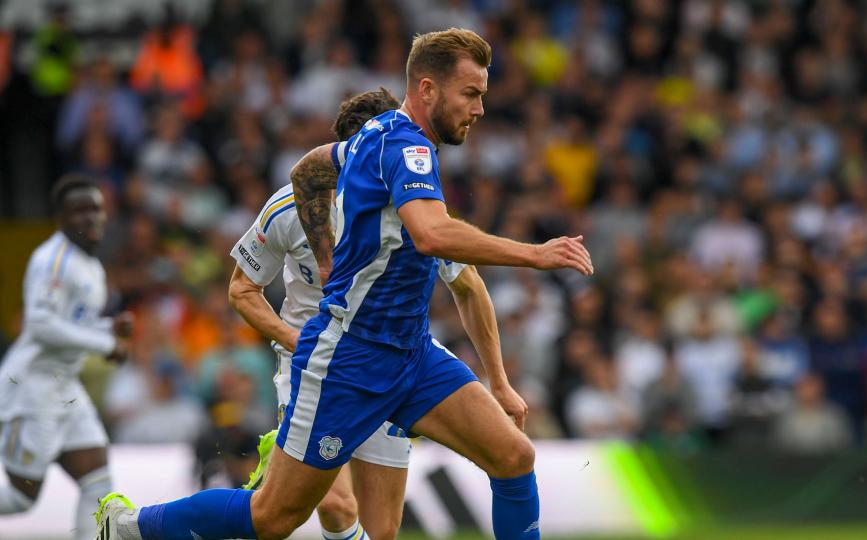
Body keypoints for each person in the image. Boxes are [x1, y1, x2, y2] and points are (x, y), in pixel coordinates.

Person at [96, 27, 592, 540]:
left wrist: (329, 256)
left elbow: (308, 168)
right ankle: (133, 528)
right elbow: (430, 234)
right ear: (427, 89)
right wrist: (534, 254)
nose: (480, 109)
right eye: (471, 94)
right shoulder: (406, 150)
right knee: (272, 518)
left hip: (413, 354)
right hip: (348, 360)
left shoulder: (372, 140)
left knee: (513, 457)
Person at [228, 87, 503, 540]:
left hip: (385, 361)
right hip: (315, 363)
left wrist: (500, 381)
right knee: (335, 506)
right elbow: (242, 290)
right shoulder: (288, 207)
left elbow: (468, 285)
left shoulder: (415, 208)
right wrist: (296, 341)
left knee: (382, 531)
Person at [0, 175, 133, 540]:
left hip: (64, 386)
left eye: (96, 209)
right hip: (32, 388)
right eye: (79, 211)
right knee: (21, 498)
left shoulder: (90, 264)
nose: (91, 218)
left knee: (98, 481)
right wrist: (105, 345)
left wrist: (108, 328)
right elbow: (41, 324)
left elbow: (73, 322)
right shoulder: (52, 260)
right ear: (60, 218)